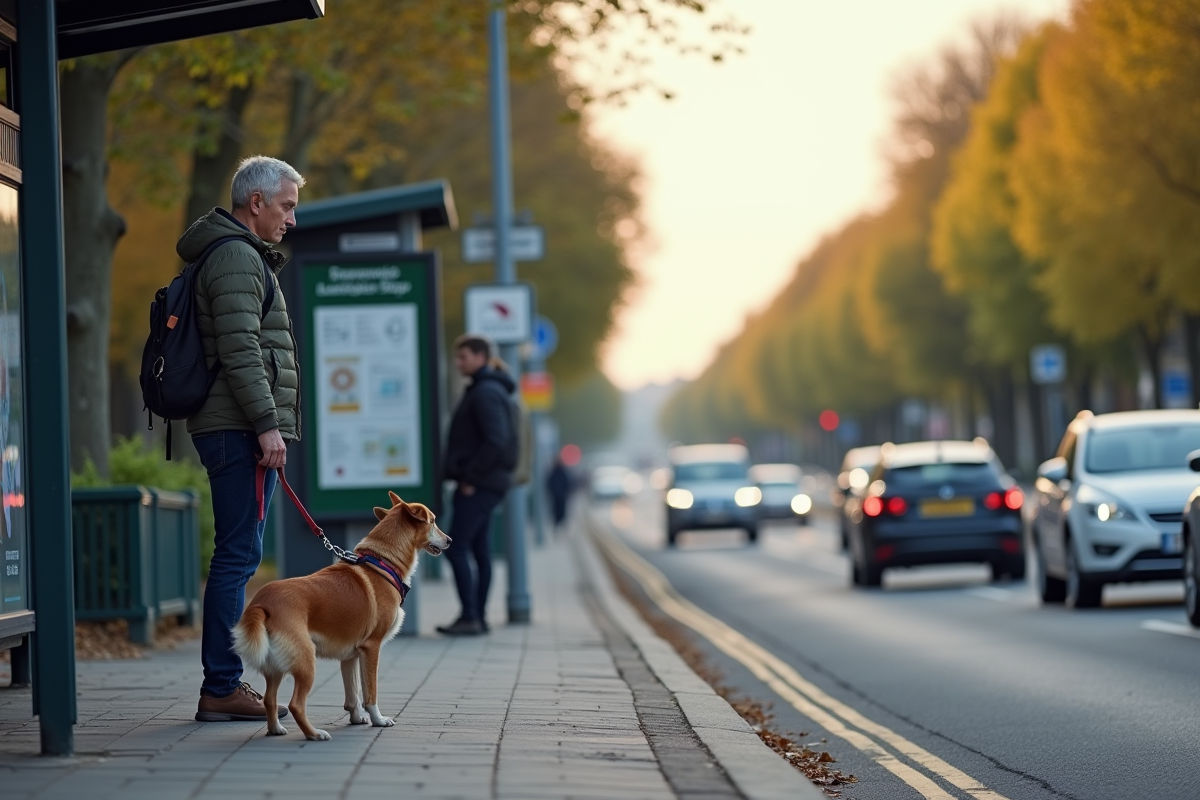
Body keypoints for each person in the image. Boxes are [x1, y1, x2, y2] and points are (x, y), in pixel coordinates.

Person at [183, 156, 304, 721]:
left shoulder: (239, 253)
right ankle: (222, 687)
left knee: (237, 553)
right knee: (237, 557)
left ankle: (222, 684)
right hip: (238, 428)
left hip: (234, 425)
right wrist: (265, 425)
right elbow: (241, 352)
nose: (291, 220)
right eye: (286, 206)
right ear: (255, 203)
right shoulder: (235, 256)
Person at [437, 335, 518, 636]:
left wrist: (471, 476)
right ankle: (477, 617)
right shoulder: (488, 390)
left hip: (479, 484)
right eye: (458, 358)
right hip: (488, 482)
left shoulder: (485, 393)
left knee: (456, 547)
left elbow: (496, 441)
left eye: (464, 357)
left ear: (481, 357)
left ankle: (471, 614)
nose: (459, 363)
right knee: (480, 548)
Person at [546, 456, 572, 529]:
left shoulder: (562, 472)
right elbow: (549, 483)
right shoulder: (553, 472)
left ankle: (562, 523)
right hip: (556, 496)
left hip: (562, 495)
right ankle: (557, 524)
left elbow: (567, 483)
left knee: (562, 510)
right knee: (556, 510)